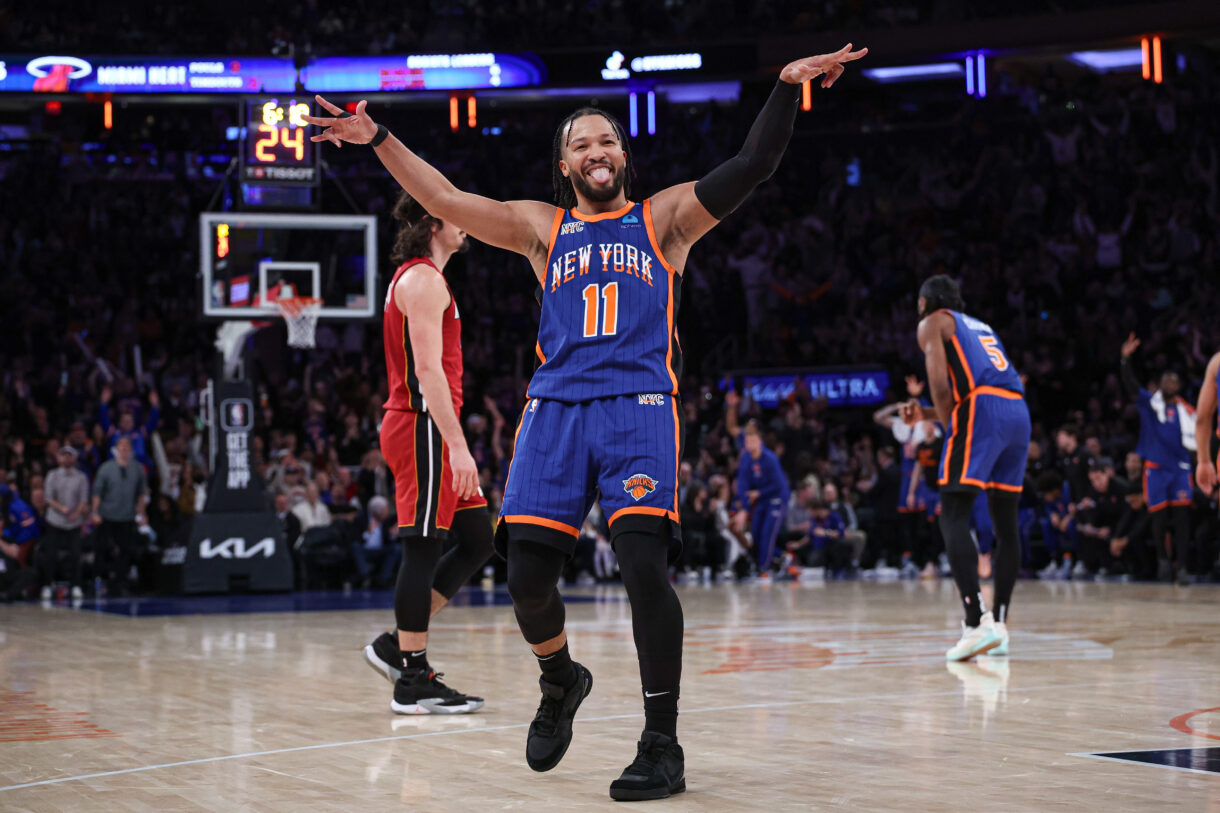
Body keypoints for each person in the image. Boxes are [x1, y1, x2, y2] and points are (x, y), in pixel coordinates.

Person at [307, 42, 868, 800]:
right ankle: (561, 677)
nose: (596, 150)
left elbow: (750, 167)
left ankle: (660, 743)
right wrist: (379, 137)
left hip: (638, 406)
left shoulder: (664, 218)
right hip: (555, 409)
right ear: (564, 167)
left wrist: (784, 89)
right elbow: (442, 199)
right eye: (581, 144)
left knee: (642, 568)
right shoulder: (542, 228)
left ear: (622, 157)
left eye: (606, 139)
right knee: (527, 575)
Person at [359, 191, 495, 716]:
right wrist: (458, 446)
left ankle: (397, 644)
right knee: (422, 545)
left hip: (428, 426)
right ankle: (412, 678)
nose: (466, 223)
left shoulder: (428, 280)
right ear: (434, 223)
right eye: (455, 215)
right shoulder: (422, 280)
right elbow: (427, 372)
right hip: (422, 427)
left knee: (479, 539)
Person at [904, 275, 1029, 662]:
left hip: (983, 410)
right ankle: (1001, 627)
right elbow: (977, 383)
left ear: (926, 301)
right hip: (1017, 411)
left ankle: (976, 623)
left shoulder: (932, 323)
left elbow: (942, 389)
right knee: (1005, 524)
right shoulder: (980, 326)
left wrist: (947, 425)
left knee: (953, 513)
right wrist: (924, 412)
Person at [1120, 333, 1196, 583]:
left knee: (1183, 521)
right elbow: (1131, 386)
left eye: (1174, 380)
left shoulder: (1187, 411)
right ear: (1161, 385)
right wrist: (1125, 360)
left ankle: (1183, 566)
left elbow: (1197, 440)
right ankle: (1163, 562)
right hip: (1155, 469)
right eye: (1166, 380)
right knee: (1159, 519)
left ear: (1179, 386)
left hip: (1181, 470)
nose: (1170, 383)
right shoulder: (1151, 405)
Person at [91, 437, 149, 596]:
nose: (124, 448)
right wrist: (94, 512)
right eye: (121, 446)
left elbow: (142, 493)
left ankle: (120, 583)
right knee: (102, 549)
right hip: (107, 515)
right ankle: (99, 581)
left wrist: (142, 513)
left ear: (130, 449)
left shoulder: (137, 468)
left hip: (127, 517)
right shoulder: (106, 468)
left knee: (126, 551)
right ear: (116, 449)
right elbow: (97, 492)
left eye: (127, 446)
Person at [736, 421, 791, 577]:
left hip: (777, 499)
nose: (749, 444)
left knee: (768, 532)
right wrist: (744, 509)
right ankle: (781, 557)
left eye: (752, 441)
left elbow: (779, 484)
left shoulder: (770, 459)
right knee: (755, 532)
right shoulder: (746, 459)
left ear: (760, 441)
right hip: (761, 500)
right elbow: (743, 485)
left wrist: (759, 493)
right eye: (747, 441)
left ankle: (763, 569)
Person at [38, 446, 90, 599]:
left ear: (74, 458)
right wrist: (62, 508)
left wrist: (77, 513)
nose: (67, 459)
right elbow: (48, 498)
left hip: (73, 521)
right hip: (55, 519)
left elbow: (83, 499)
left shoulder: (81, 477)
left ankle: (76, 585)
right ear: (59, 458)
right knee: (51, 554)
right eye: (64, 456)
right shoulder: (52, 475)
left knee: (75, 554)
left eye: (70, 456)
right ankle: (48, 585)